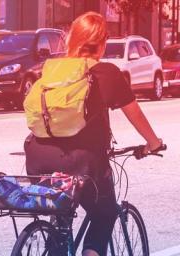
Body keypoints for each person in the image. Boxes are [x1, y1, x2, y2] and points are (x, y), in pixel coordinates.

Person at [23, 12, 164, 256]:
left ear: (71, 39)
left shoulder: (50, 71)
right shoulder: (106, 73)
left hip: (38, 159)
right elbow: (135, 115)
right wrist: (153, 143)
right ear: (102, 42)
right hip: (82, 164)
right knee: (104, 214)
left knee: (61, 220)